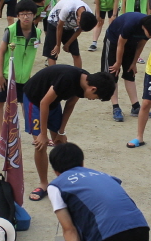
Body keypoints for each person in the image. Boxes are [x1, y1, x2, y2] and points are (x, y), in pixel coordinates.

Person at [22, 64, 116, 201]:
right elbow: (43, 103)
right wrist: (43, 134)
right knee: (40, 144)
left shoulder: (85, 83)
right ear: (93, 88)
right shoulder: (67, 78)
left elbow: (70, 104)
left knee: (60, 144)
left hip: (53, 103)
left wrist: (61, 131)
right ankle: (43, 184)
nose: (92, 99)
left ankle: (65, 182)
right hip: (35, 100)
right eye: (95, 97)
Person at [0, 0, 41, 143]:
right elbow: (0, 53)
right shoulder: (10, 30)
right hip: (6, 75)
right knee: (0, 103)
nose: (26, 17)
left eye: (29, 14)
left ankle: (36, 136)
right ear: (18, 16)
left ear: (34, 15)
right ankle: (1, 136)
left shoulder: (37, 33)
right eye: (22, 14)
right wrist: (0, 75)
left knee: (27, 105)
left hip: (24, 77)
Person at [103, 12, 151, 121]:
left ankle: (136, 107)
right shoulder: (131, 24)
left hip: (131, 43)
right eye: (150, 35)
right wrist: (118, 63)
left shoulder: (149, 29)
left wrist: (134, 63)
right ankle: (116, 107)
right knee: (112, 74)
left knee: (130, 73)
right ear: (145, 28)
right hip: (114, 41)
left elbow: (140, 45)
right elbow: (120, 44)